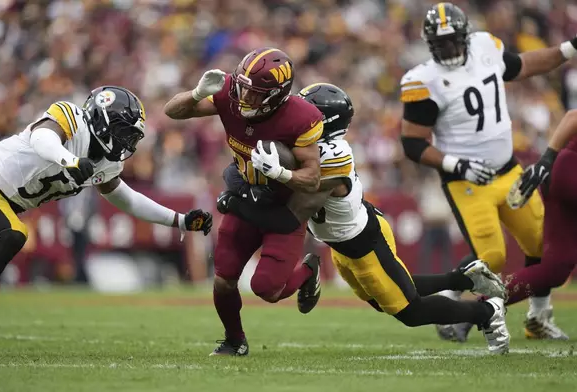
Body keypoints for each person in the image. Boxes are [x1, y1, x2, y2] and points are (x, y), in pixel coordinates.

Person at [218, 82, 510, 354]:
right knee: (389, 296)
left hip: (364, 242)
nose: (295, 116)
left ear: (322, 122)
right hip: (340, 243)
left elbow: (287, 221)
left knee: (409, 310)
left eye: (305, 111)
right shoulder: (305, 149)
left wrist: (241, 199)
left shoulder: (330, 158)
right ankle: (463, 278)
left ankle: (486, 313)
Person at [0, 86, 213, 347]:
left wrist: (179, 220)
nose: (126, 141)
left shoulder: (107, 161)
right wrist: (70, 160)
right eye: (121, 131)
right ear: (102, 120)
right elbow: (42, 137)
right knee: (13, 234)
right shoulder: (72, 118)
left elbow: (127, 199)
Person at [399, 2, 575, 341]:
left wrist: (570, 48)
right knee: (491, 255)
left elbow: (524, 65)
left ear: (465, 36)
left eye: (452, 42)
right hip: (466, 180)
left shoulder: (485, 46)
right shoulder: (423, 80)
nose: (448, 50)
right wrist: (456, 163)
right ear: (429, 45)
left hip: (509, 170)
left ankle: (538, 319)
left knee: (542, 245)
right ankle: (449, 303)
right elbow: (413, 143)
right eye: (440, 44)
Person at [164, 48, 325, 356]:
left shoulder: (300, 118)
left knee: (267, 289)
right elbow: (173, 111)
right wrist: (197, 93)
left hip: (284, 209)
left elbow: (312, 178)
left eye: (254, 93)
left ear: (277, 95)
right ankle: (235, 340)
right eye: (242, 87)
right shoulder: (230, 92)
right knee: (224, 280)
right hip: (246, 198)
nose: (243, 97)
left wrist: (281, 173)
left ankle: (308, 270)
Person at [506, 109, 577, 336]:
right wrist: (546, 158)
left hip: (562, 169)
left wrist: (549, 160)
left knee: (555, 268)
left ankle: (484, 305)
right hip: (570, 169)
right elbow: (573, 117)